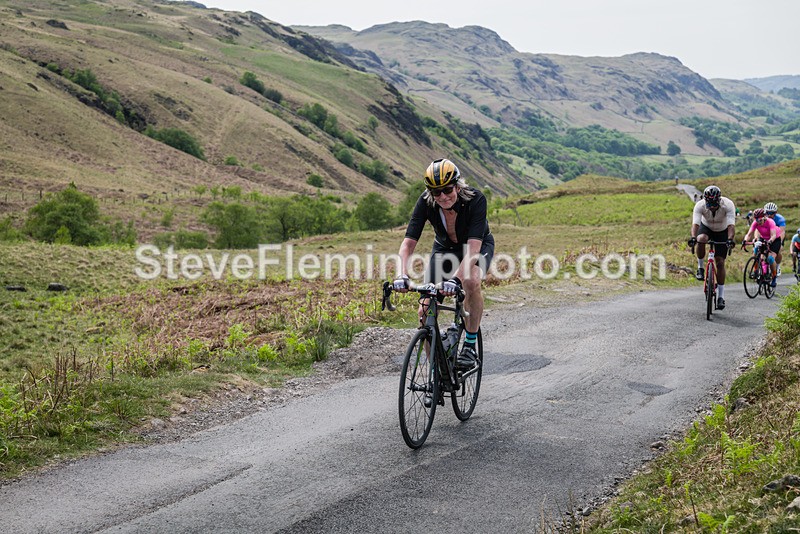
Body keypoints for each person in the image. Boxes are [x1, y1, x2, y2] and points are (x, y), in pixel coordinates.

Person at [393, 158, 494, 369]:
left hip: (475, 246)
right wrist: (402, 275)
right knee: (425, 310)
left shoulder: (476, 200)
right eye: (436, 192)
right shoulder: (426, 201)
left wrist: (455, 280)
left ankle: (469, 345)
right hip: (444, 249)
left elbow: (473, 250)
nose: (443, 196)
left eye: (447, 190)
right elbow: (408, 244)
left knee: (471, 280)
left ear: (457, 185)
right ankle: (436, 374)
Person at [688, 185, 736, 310]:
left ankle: (721, 296)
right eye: (710, 204)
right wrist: (693, 237)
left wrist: (730, 239)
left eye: (715, 204)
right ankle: (700, 268)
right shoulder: (700, 205)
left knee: (720, 263)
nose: (713, 206)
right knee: (701, 239)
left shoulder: (728, 205)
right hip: (706, 227)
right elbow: (695, 224)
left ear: (719, 200)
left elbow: (731, 225)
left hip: (722, 230)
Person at [742, 208, 779, 288]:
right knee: (756, 250)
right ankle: (756, 270)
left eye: (760, 220)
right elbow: (749, 234)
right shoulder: (755, 223)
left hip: (774, 240)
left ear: (764, 217)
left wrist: (769, 242)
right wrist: (745, 241)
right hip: (763, 238)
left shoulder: (770, 222)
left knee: (770, 259)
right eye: (756, 220)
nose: (758, 222)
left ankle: (774, 276)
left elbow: (773, 235)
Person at [764, 202, 786, 275]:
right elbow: (758, 229)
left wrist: (780, 243)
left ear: (775, 213)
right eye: (767, 213)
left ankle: (777, 265)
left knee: (778, 250)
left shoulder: (780, 219)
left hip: (778, 236)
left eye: (771, 213)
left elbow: (782, 232)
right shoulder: (763, 219)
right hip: (767, 236)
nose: (769, 215)